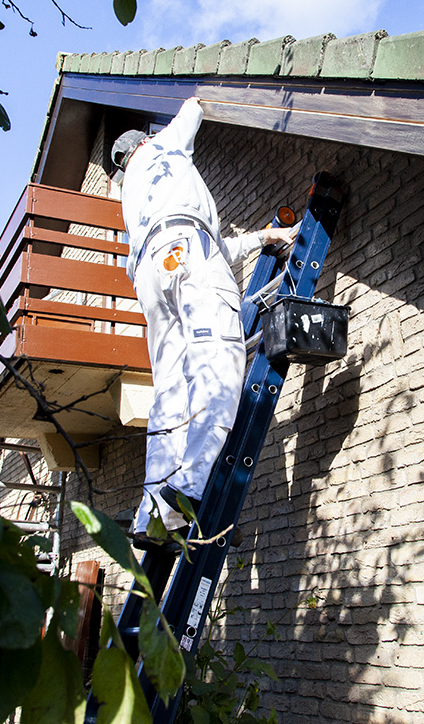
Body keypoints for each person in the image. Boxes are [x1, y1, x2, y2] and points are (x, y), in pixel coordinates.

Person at [112, 96, 296, 548]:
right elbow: (197, 103)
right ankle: (188, 492)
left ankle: (151, 512)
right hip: (189, 250)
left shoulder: (132, 195)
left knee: (170, 392)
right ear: (146, 141)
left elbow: (210, 247)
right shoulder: (163, 147)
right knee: (220, 363)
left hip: (153, 277)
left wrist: (261, 238)